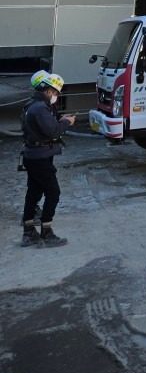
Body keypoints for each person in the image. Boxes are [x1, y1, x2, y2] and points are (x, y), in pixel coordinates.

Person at [20, 71, 76, 247]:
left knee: (34, 192)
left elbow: (43, 127)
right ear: (49, 91)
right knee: (53, 192)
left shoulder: (31, 105)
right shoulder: (40, 108)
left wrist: (59, 120)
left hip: (32, 155)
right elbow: (53, 131)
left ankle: (28, 232)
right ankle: (47, 232)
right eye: (56, 92)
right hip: (40, 157)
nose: (57, 96)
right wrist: (67, 122)